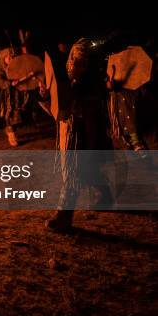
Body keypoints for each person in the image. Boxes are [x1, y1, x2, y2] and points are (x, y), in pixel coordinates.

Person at [46, 38, 113, 232]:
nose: (77, 63)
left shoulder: (91, 83)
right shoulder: (71, 80)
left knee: (73, 170)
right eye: (74, 58)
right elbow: (56, 107)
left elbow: (88, 102)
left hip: (83, 128)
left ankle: (64, 215)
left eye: (81, 59)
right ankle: (106, 196)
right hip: (73, 126)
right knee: (87, 166)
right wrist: (45, 94)